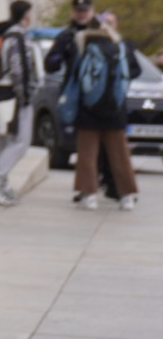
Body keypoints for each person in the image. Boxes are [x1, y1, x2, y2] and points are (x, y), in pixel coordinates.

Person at [55, 12, 141, 211]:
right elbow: (132, 73)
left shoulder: (83, 48)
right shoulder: (119, 47)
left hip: (88, 110)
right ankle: (127, 195)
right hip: (115, 109)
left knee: (87, 154)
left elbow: (73, 79)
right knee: (120, 154)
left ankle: (89, 195)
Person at [44, 0, 114, 203]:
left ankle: (108, 183)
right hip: (78, 97)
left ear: (92, 11)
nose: (82, 14)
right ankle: (88, 186)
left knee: (107, 143)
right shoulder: (67, 36)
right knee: (85, 145)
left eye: (85, 11)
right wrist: (61, 53)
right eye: (78, 11)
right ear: (73, 12)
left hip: (103, 96)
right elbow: (51, 64)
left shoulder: (104, 33)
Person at [0, 0, 38, 206]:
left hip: (0, 94)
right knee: (20, 142)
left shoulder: (4, 34)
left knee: (4, 142)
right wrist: (24, 97)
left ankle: (1, 185)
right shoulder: (16, 38)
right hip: (13, 96)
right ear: (25, 15)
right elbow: (17, 69)